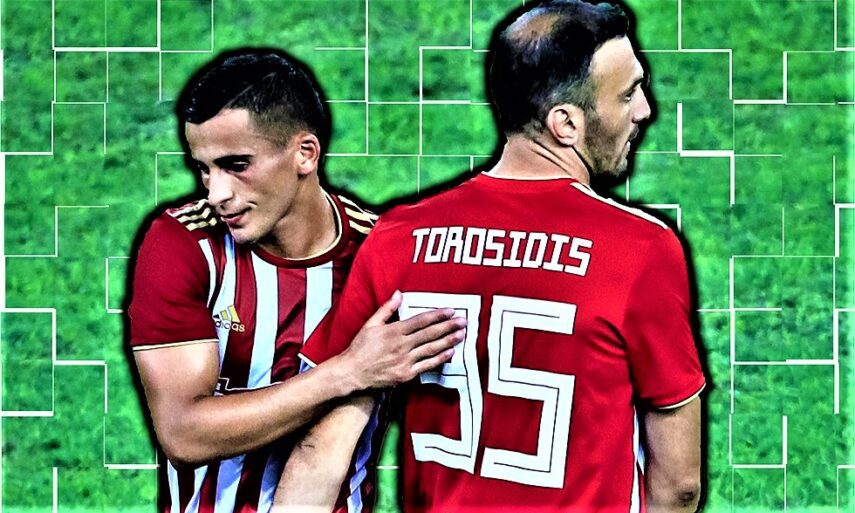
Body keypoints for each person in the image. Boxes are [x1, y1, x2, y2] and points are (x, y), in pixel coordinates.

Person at [274, 1, 706, 512]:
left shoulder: (398, 238)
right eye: (627, 94)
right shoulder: (638, 249)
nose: (644, 110)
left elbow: (320, 451)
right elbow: (679, 484)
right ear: (565, 124)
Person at [127, 49, 466, 513]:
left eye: (236, 165)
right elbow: (184, 433)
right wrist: (348, 372)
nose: (216, 193)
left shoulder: (382, 255)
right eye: (204, 168)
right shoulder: (183, 245)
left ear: (305, 153)